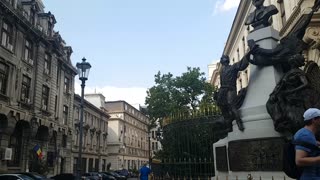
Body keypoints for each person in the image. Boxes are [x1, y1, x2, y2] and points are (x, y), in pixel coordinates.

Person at [216, 54, 249, 131]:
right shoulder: (222, 71)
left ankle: (239, 122)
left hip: (230, 89)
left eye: (222, 59)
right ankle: (229, 126)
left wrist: (248, 55)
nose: (222, 61)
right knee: (223, 108)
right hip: (223, 90)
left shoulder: (233, 67)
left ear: (225, 61)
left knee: (231, 105)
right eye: (221, 59)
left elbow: (241, 64)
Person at [294, 108, 320, 179]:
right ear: (314, 120)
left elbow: (309, 146)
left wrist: (316, 143)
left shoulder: (307, 133)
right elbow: (299, 161)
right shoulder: (305, 135)